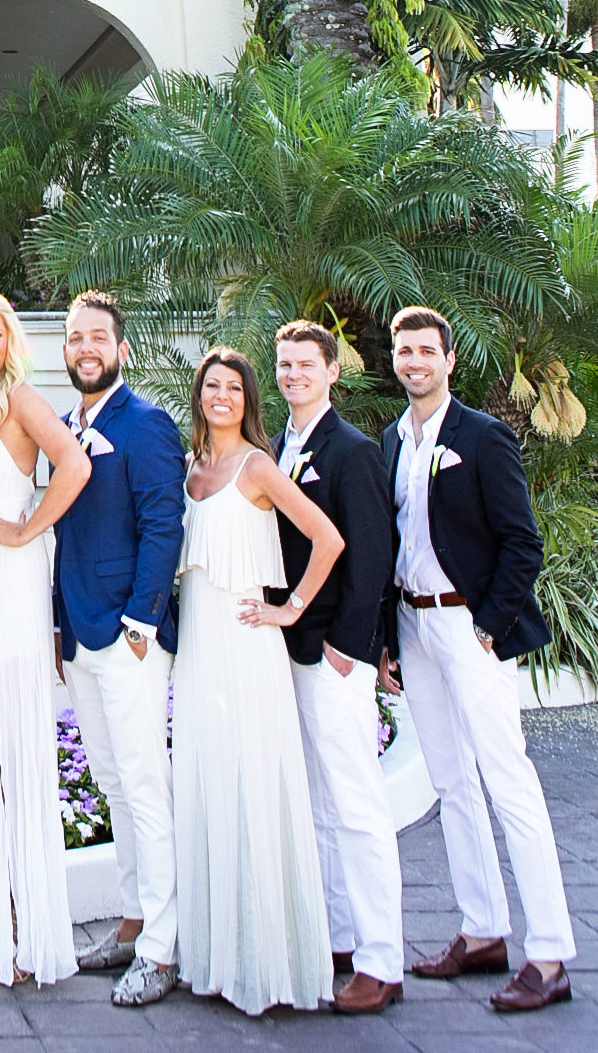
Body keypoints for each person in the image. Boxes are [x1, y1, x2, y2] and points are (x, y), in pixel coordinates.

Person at [379, 306, 575, 1015]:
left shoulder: (483, 436)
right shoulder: (391, 440)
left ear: (449, 359)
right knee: (450, 782)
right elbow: (391, 543)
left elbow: (522, 541)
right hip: (413, 624)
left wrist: (489, 625)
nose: (414, 361)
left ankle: (548, 954)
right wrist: (387, 636)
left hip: (470, 626)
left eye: (425, 350)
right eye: (404, 351)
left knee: (507, 780)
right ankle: (482, 929)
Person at [176, 347, 338, 1016]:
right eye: (211, 385)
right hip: (197, 647)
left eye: (233, 388)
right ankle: (214, 959)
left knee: (250, 785)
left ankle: (264, 965)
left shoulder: (257, 466)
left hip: (246, 645)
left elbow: (326, 538)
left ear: (247, 400)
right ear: (199, 395)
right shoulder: (191, 467)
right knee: (207, 782)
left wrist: (289, 607)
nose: (221, 396)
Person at [0, 291, 90, 989]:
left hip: (10, 578)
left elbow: (75, 466)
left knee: (15, 749)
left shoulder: (24, 400)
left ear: (10, 341)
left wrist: (27, 528)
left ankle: (32, 930)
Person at [51, 289, 184, 1010]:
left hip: (128, 636)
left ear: (121, 348)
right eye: (76, 337)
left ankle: (161, 947)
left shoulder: (146, 423)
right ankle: (133, 921)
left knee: (143, 783)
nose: (85, 348)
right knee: (110, 782)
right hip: (78, 633)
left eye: (97, 336)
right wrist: (58, 628)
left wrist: (141, 622)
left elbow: (163, 523)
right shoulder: (66, 425)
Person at [269, 320, 403, 1015]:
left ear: (331, 372)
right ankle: (338, 939)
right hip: (289, 650)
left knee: (356, 806)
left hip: (333, 654)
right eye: (284, 364)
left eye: (304, 364)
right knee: (317, 804)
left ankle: (382, 961)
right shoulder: (276, 446)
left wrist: (350, 646)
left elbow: (372, 555)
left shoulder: (350, 450)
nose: (292, 374)